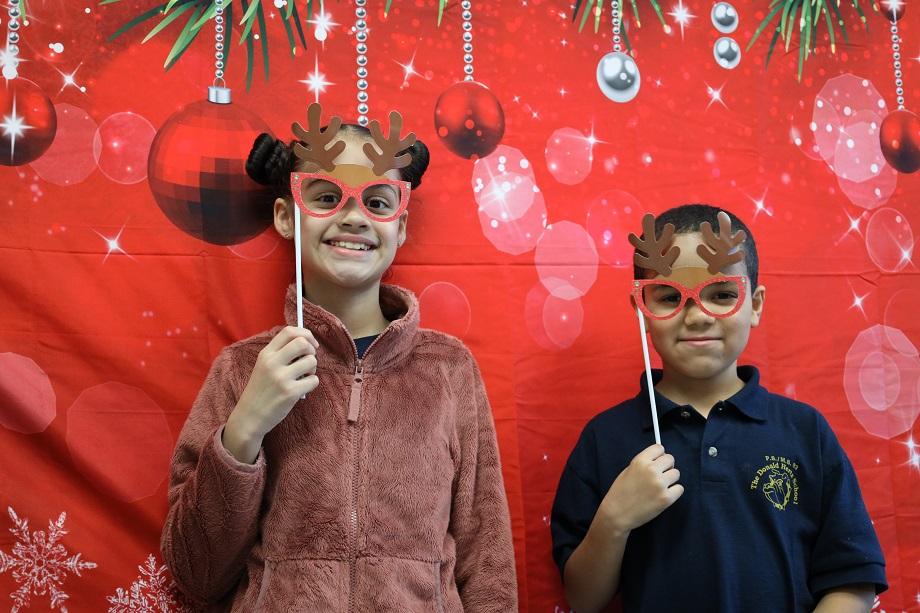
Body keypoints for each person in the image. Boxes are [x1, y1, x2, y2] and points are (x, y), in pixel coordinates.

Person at [161, 104, 517, 611]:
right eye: (327, 197)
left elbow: (487, 558)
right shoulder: (242, 369)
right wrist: (244, 430)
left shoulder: (449, 369)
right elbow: (196, 574)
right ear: (286, 216)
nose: (354, 216)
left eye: (377, 201)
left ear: (401, 226)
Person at [551, 204, 886, 612]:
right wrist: (614, 519)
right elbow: (583, 599)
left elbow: (853, 581)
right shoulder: (605, 438)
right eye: (670, 297)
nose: (697, 317)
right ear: (641, 310)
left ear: (755, 305)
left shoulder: (804, 431)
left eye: (723, 295)